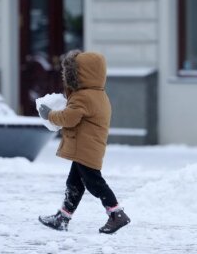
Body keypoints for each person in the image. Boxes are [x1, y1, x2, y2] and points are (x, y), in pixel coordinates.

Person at [37, 50, 130, 234]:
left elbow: (68, 118)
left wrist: (49, 115)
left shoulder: (83, 96)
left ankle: (117, 213)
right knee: (75, 184)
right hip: (88, 147)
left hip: (84, 149)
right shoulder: (99, 94)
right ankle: (63, 217)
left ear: (79, 75)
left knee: (94, 183)